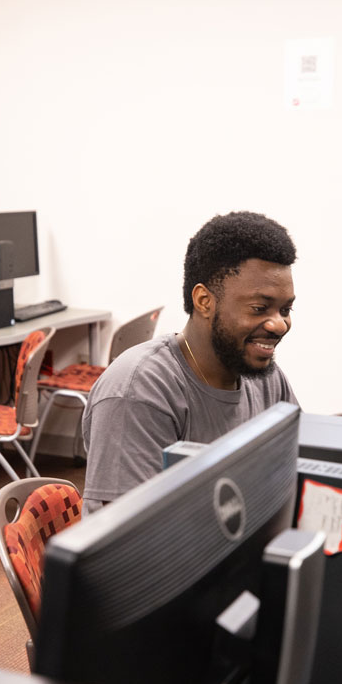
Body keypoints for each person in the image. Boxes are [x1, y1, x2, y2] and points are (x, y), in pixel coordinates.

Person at [81, 211, 298, 509]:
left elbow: (297, 473)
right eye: (260, 308)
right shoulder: (139, 390)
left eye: (285, 310)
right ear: (204, 301)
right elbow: (126, 543)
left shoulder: (265, 378)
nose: (279, 325)